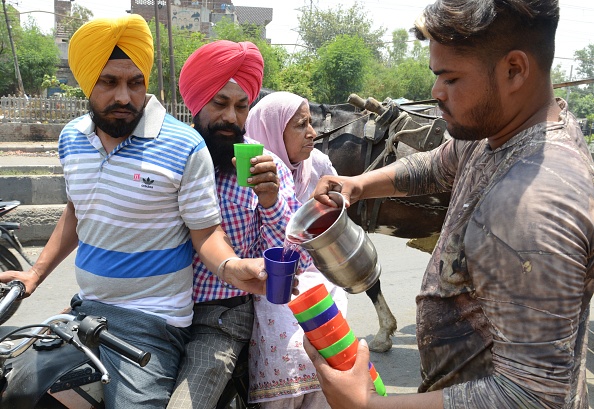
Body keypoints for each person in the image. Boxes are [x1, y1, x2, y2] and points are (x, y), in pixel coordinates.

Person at [305, 1, 594, 408]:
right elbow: (436, 165)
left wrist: (366, 405)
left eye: (451, 78)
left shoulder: (531, 207)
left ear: (514, 70)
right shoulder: (497, 133)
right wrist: (358, 185)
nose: (435, 93)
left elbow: (528, 397)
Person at [0, 16, 267, 409]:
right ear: (87, 82)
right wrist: (35, 273)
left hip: (152, 325)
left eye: (135, 83)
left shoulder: (183, 145)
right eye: (109, 82)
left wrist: (231, 268)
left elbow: (206, 234)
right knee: (18, 388)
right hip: (86, 309)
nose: (124, 97)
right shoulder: (72, 138)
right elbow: (78, 210)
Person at [167, 41, 309, 409]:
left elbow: (298, 261)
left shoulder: (268, 168)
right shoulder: (169, 160)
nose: (231, 117)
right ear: (195, 105)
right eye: (219, 104)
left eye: (241, 106)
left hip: (220, 317)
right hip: (158, 308)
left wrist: (271, 202)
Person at [246, 91, 348, 408]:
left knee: (334, 339)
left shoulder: (317, 165)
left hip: (315, 275)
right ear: (273, 130)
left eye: (311, 123)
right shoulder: (250, 167)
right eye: (301, 125)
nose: (312, 133)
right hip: (268, 278)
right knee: (289, 343)